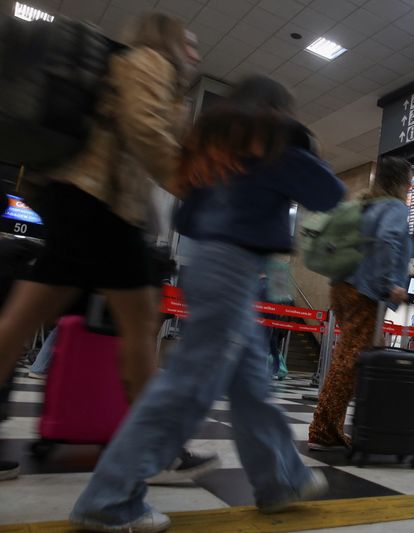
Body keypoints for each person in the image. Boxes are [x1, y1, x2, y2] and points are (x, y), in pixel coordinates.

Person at [70, 75, 345, 531]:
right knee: (187, 387)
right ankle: (109, 498)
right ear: (276, 110)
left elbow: (185, 214)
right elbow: (328, 193)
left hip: (202, 265)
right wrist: (306, 146)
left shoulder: (210, 149)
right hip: (233, 268)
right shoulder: (274, 142)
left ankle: (281, 479)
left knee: (251, 382)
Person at [0, 12, 207, 483]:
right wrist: (188, 183)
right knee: (137, 329)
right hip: (102, 205)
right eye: (190, 44)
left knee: (21, 322)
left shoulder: (133, 64)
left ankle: (156, 449)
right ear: (169, 41)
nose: (194, 54)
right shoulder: (151, 61)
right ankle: (155, 451)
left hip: (80, 200)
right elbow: (144, 126)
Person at [308, 157, 413, 451]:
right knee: (351, 360)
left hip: (342, 286)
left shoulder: (366, 204)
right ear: (401, 182)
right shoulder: (393, 207)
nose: (411, 185)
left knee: (351, 356)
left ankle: (332, 427)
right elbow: (388, 240)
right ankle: (324, 431)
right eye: (409, 180)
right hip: (364, 290)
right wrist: (389, 283)